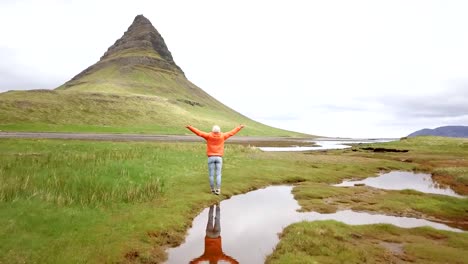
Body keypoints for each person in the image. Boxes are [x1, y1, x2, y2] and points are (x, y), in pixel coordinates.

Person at [186, 124, 245, 195]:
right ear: (219, 130)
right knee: (218, 174)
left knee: (211, 175)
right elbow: (232, 132)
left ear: (212, 130)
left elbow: (199, 133)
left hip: (211, 157)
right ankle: (218, 190)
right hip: (219, 158)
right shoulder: (223, 136)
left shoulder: (208, 136)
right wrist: (240, 127)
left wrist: (190, 127)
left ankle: (212, 189)